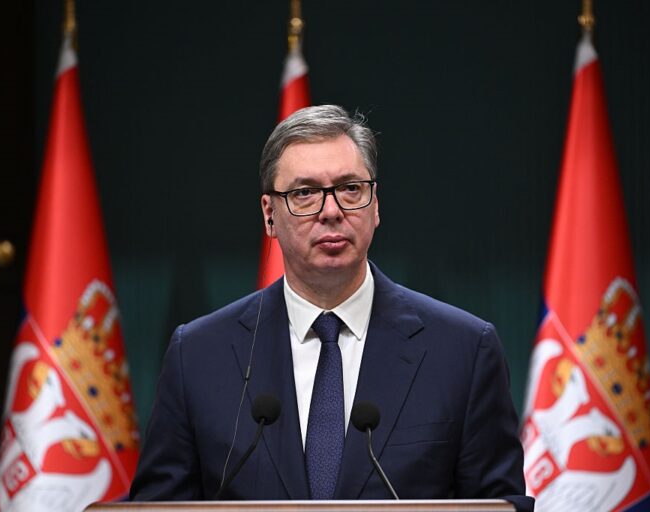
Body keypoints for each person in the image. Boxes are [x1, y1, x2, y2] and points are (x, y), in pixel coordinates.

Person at [129, 105, 532, 511]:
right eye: (304, 193)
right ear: (269, 215)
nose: (332, 211)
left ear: (375, 205)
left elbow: (498, 504)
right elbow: (157, 506)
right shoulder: (198, 355)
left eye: (350, 188)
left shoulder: (464, 351)